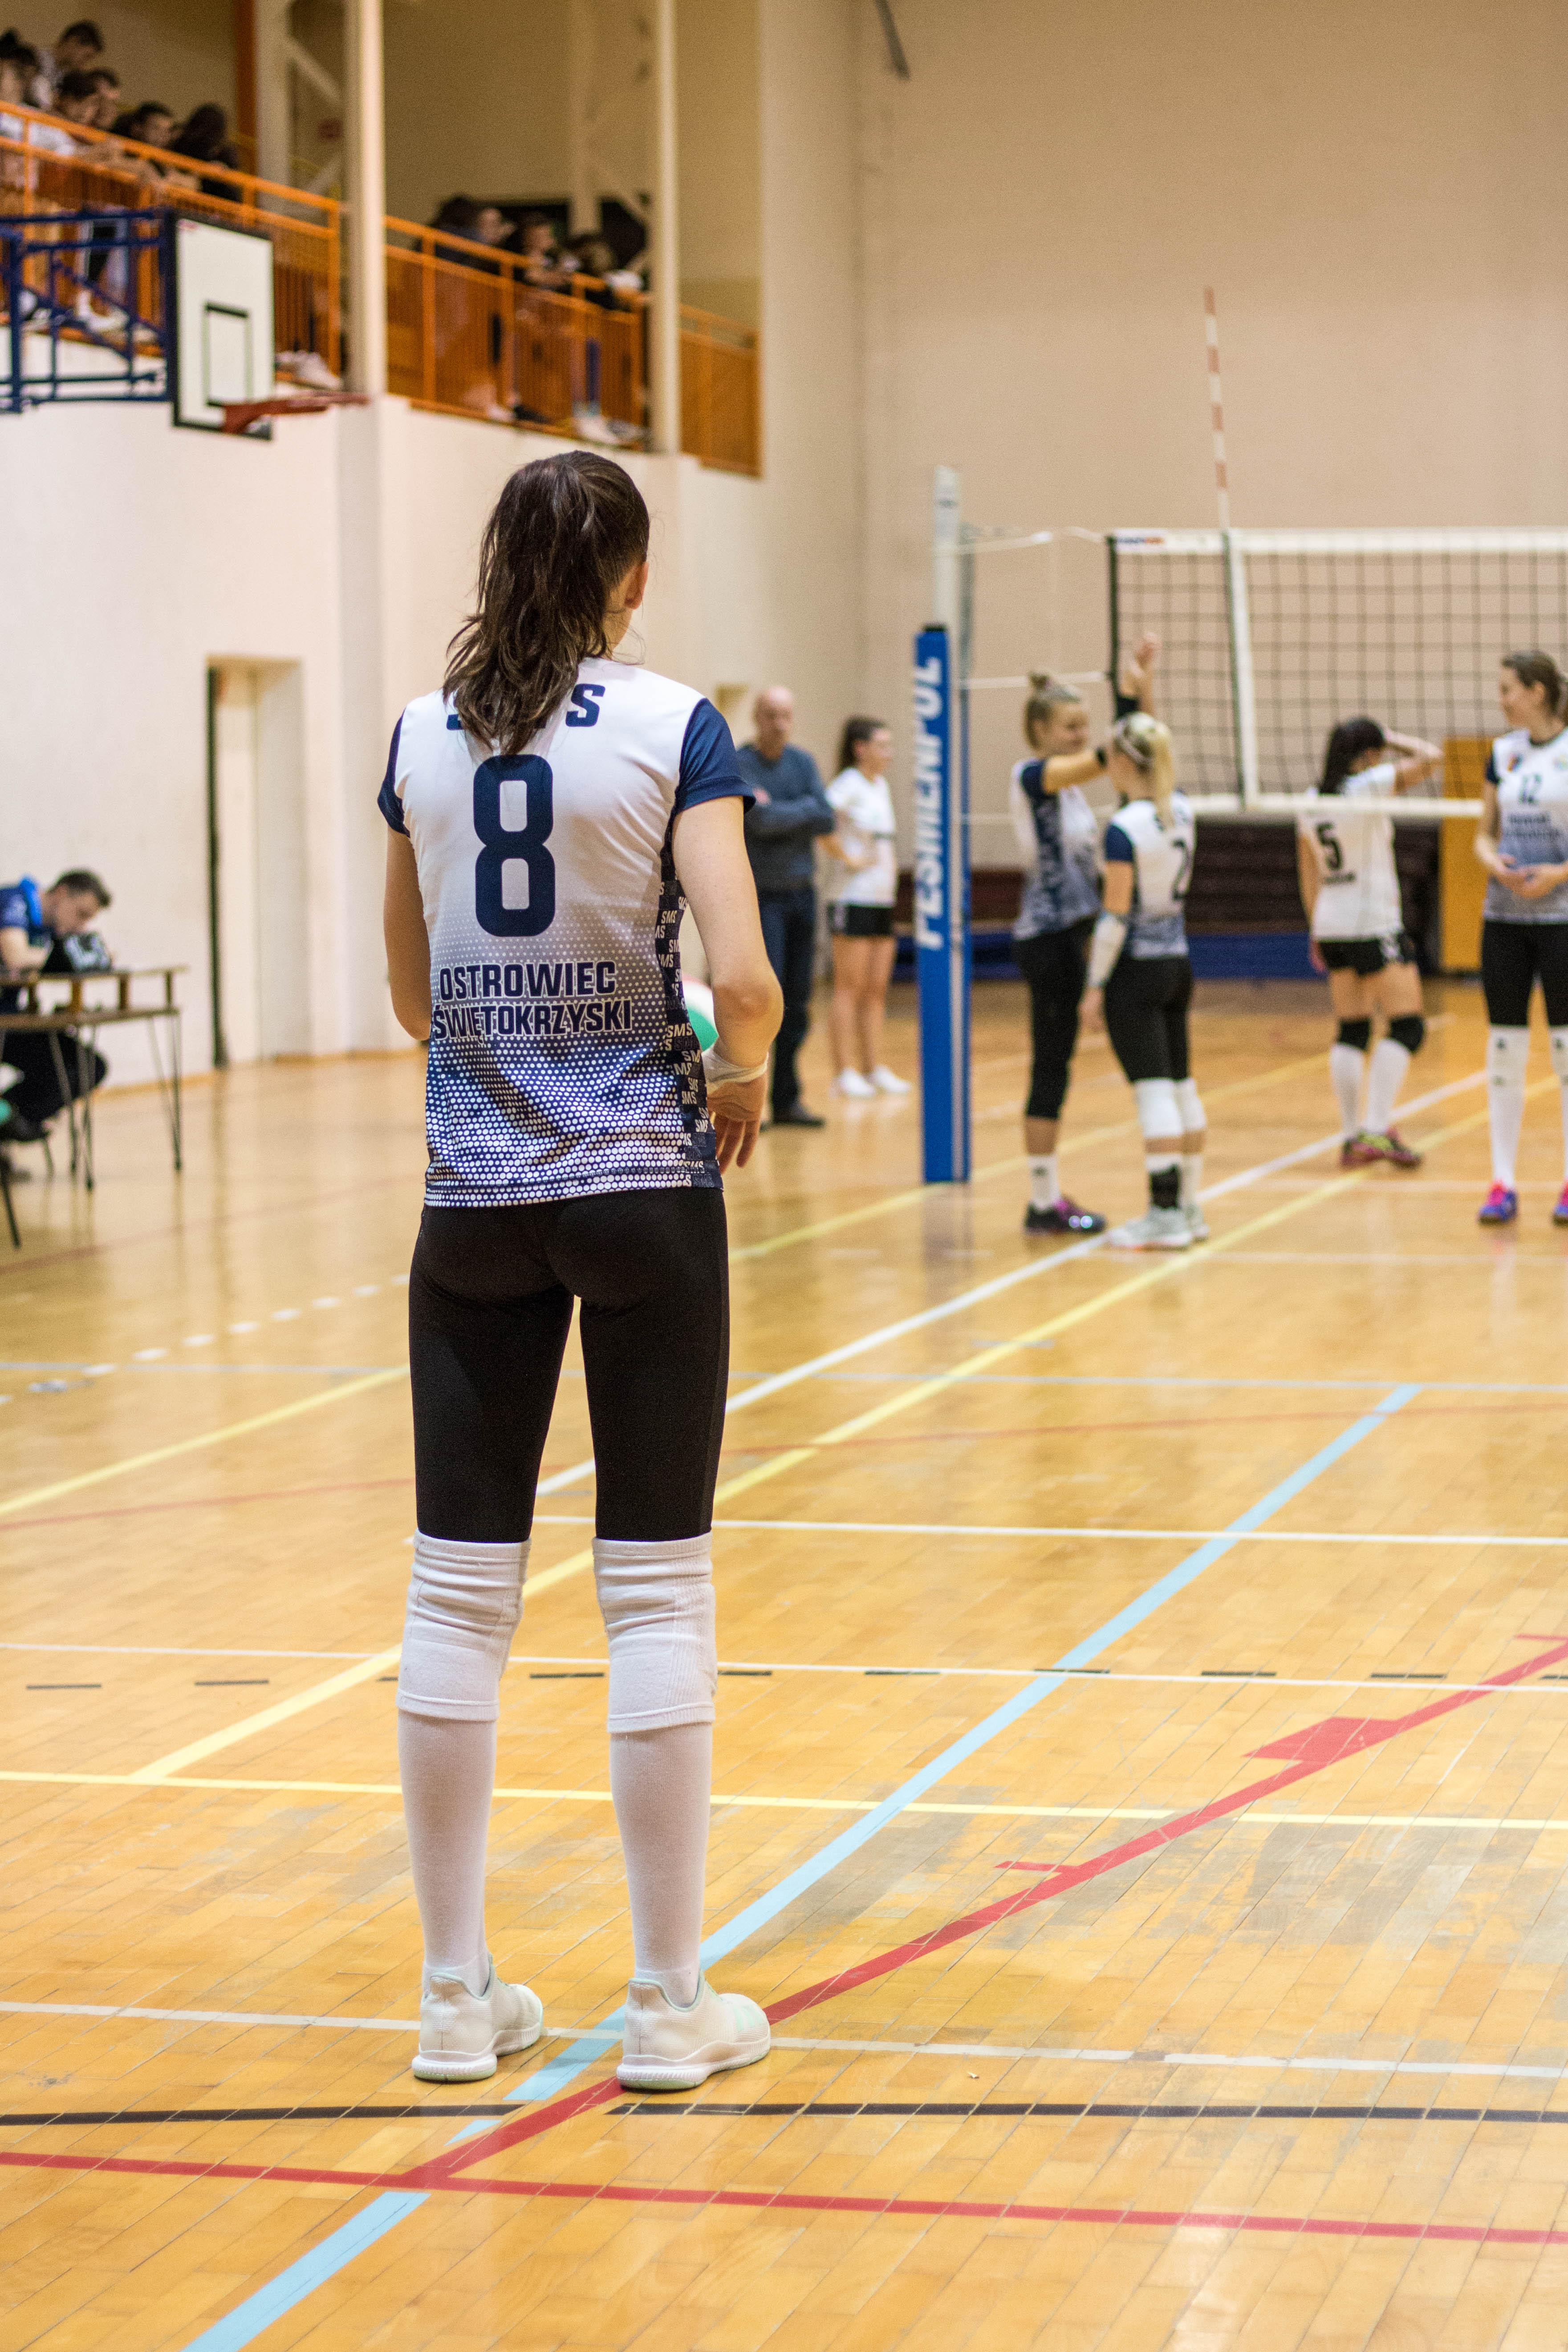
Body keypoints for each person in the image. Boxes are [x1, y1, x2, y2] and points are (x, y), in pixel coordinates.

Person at [379, 450, 781, 2092]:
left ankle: (452, 1996)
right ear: (631, 576)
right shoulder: (675, 725)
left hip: (472, 1204)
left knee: (455, 1591)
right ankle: (670, 2006)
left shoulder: (420, 734)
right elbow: (743, 974)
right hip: (643, 1193)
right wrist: (740, 1073)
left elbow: (413, 998)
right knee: (657, 1586)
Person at [1011, 636, 1159, 1236]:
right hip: (1047, 940)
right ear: (1041, 731)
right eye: (1070, 727)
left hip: (1073, 935)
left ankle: (1055, 1195)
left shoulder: (1069, 791)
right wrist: (1130, 704)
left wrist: (1139, 689)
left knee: (1064, 1063)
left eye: (1083, 726)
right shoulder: (1033, 777)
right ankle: (1042, 1201)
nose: (1079, 735)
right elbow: (1112, 755)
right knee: (1051, 1064)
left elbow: (1131, 755)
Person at [1081, 714, 1203, 1250]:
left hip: (1136, 972)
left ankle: (1165, 1213)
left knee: (1154, 1095)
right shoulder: (1183, 810)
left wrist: (1094, 985)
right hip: (1178, 964)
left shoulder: (1124, 829)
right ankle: (1190, 1209)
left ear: (1125, 762)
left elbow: (1115, 915)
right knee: (1182, 1089)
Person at [1297, 718, 1442, 1168]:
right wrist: (1391, 738)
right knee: (1408, 1027)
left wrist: (1316, 929)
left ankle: (1350, 1137)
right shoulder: (1369, 785)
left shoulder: (1308, 801)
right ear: (1368, 754)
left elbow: (1308, 872)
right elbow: (1433, 758)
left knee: (1353, 1029)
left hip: (1332, 922)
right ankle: (1376, 1129)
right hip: (1373, 922)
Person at [1472, 649, 1568, 1226]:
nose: (1501, 699)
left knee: (1565, 1051)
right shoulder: (1502, 752)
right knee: (1505, 1050)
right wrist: (1493, 862)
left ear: (1537, 691)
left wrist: (1557, 874)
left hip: (1562, 919)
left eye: (1508, 688)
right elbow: (1483, 833)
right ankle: (1502, 1181)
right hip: (1503, 918)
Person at [736, 686, 835, 1126]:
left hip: (802, 895)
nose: (779, 724)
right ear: (757, 718)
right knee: (764, 1001)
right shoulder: (741, 764)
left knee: (798, 999)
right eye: (771, 715)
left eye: (786, 716)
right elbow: (756, 819)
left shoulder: (803, 763)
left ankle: (787, 1098)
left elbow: (826, 817)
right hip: (763, 899)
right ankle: (751, 1100)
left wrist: (781, 813)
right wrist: (801, 812)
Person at [822, 716, 907, 1098]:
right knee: (849, 987)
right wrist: (846, 857)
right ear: (861, 748)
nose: (889, 753)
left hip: (882, 899)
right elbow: (821, 820)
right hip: (851, 898)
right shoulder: (848, 784)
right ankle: (844, 1072)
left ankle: (872, 1068)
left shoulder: (880, 785)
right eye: (882, 745)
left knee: (876, 989)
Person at [0, 868, 113, 1141]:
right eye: (81, 914)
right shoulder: (14, 900)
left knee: (86, 1066)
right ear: (61, 894)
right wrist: (74, 956)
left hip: (10, 1020)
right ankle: (8, 1121)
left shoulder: (49, 929)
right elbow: (15, 955)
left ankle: (9, 1120)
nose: (81, 927)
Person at [26, 15, 101, 109]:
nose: (85, 63)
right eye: (87, 56)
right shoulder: (34, 58)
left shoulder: (66, 76)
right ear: (73, 41)